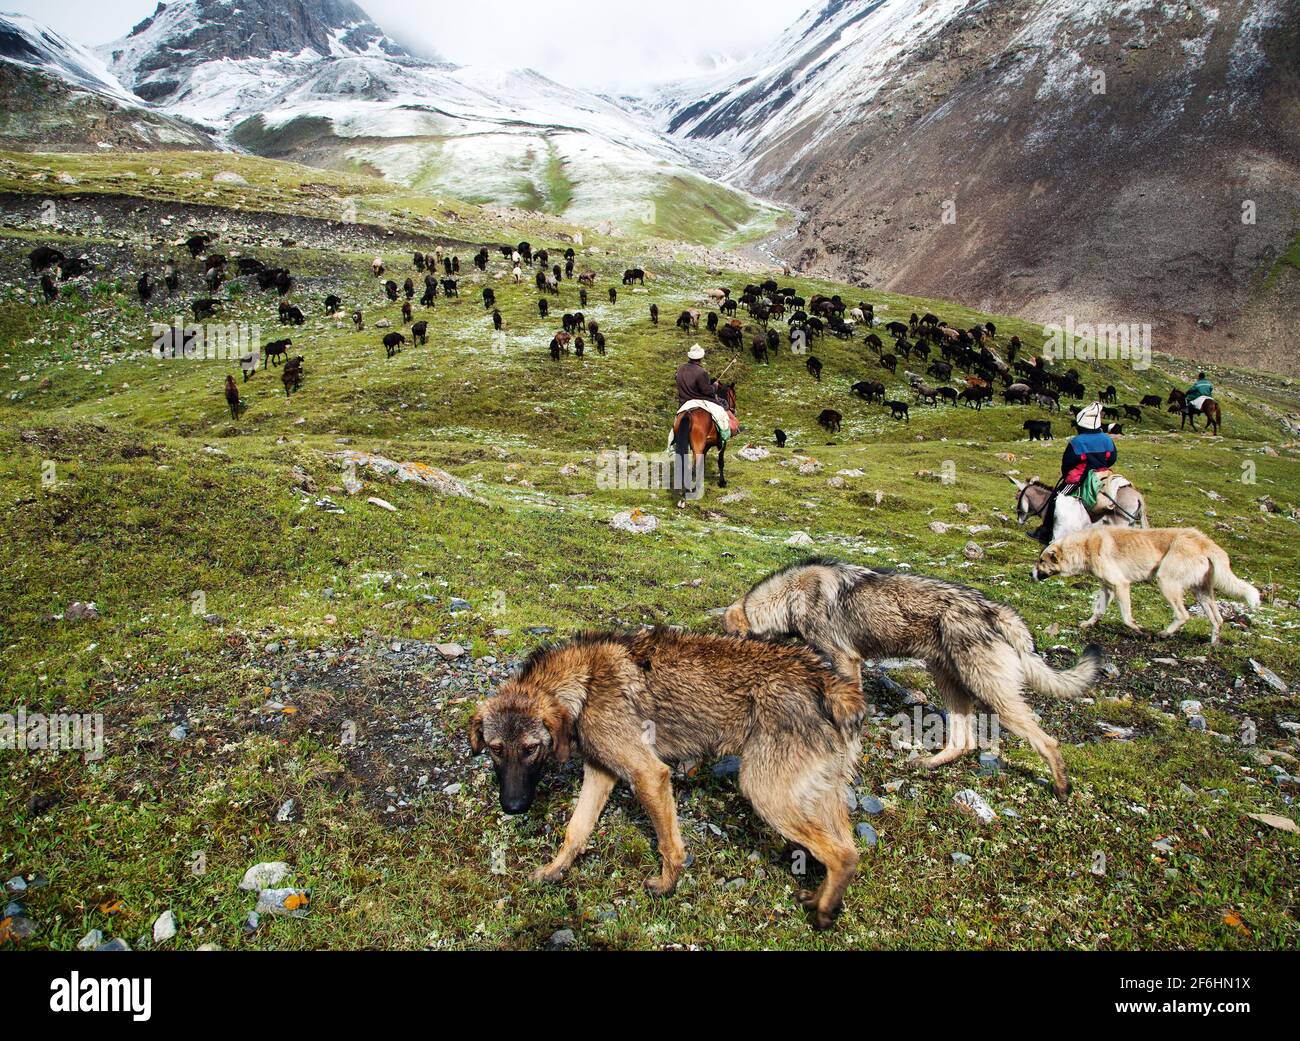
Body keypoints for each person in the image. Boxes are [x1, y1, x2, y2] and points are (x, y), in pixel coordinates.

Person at [1035, 402, 1117, 543]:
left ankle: (1045, 531)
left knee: (1056, 496)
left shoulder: (1077, 442)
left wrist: (1067, 473)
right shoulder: (1107, 439)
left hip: (1081, 477)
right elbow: (1112, 459)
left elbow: (1067, 463)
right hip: (1104, 474)